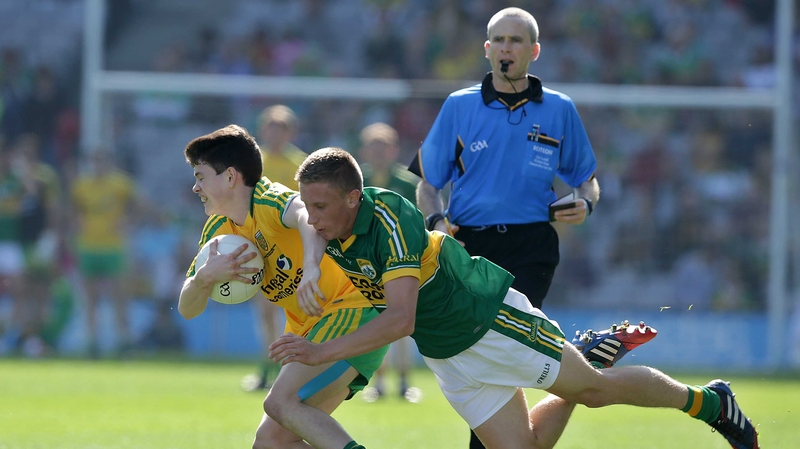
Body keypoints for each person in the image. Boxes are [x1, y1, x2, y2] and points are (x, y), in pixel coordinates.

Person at [271, 146, 759, 449]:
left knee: (593, 392)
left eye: (321, 207)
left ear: (354, 198)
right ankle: (587, 355)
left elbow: (399, 318)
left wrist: (320, 351)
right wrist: (301, 264)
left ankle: (710, 403)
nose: (312, 218)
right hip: (447, 354)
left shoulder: (389, 217)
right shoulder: (330, 223)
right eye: (309, 205)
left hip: (486, 319)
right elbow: (289, 211)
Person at [407, 9, 600, 445]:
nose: (505, 48)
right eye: (498, 40)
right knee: (482, 349)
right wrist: (437, 221)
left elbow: (587, 179)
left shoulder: (559, 109)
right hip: (469, 248)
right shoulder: (458, 106)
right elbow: (428, 185)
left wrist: (586, 202)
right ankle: (583, 364)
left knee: (502, 348)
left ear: (533, 51)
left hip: (533, 243)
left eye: (515, 40)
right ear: (486, 49)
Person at [179, 125, 387, 449]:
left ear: (231, 177)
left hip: (350, 308)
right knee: (271, 442)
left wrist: (310, 269)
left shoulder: (266, 198)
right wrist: (204, 278)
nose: (195, 188)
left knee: (278, 402)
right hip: (311, 330)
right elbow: (186, 308)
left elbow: (305, 214)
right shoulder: (219, 231)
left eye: (201, 176)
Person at [241, 104, 310, 392]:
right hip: (262, 246)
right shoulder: (253, 163)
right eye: (271, 126)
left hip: (294, 247)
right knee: (266, 312)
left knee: (298, 312)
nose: (275, 132)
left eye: (281, 127)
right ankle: (267, 368)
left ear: (291, 131)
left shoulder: (302, 163)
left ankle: (295, 370)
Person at [357, 122, 421, 402]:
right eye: (373, 146)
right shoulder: (357, 181)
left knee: (403, 323)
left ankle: (405, 381)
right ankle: (378, 383)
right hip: (365, 262)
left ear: (394, 150)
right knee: (374, 323)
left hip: (401, 262)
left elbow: (417, 223)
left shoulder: (407, 183)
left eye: (384, 147)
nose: (378, 152)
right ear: (364, 150)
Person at [70, 149, 138, 357]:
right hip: (88, 245)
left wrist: (128, 222)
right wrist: (76, 227)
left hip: (113, 245)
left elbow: (137, 206)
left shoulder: (120, 184)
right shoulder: (81, 186)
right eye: (94, 160)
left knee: (119, 295)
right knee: (90, 297)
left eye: (101, 160)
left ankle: (123, 340)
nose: (97, 165)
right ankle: (92, 342)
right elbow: (74, 211)